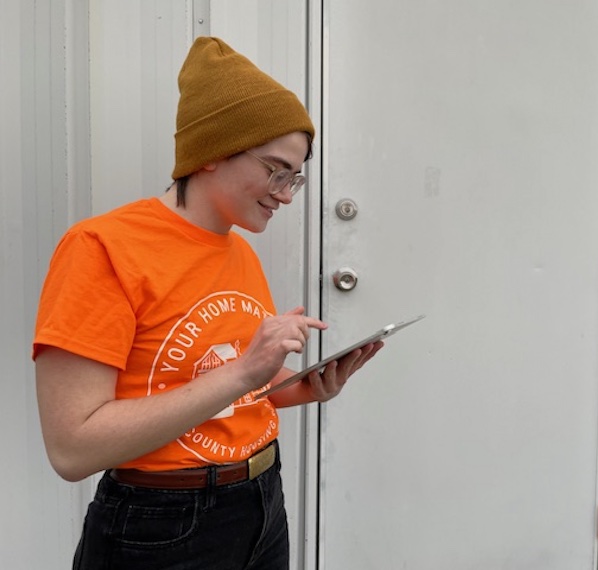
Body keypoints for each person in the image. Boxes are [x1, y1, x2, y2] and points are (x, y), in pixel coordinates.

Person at [33, 36, 382, 570]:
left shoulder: (240, 251)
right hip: (162, 525)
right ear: (213, 151)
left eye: (296, 176)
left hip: (262, 502)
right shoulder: (102, 247)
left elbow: (203, 388)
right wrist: (245, 372)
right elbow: (73, 448)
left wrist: (292, 387)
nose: (287, 193)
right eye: (275, 169)